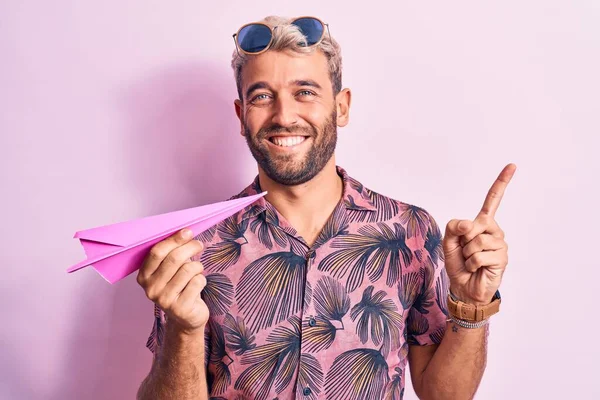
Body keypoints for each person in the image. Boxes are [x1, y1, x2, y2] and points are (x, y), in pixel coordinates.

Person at [136, 15, 515, 400]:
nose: (284, 116)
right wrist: (184, 330)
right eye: (262, 96)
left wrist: (471, 306)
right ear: (241, 116)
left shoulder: (409, 231)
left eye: (305, 92)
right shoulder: (196, 247)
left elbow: (444, 395)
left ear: (342, 107)